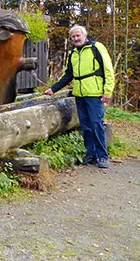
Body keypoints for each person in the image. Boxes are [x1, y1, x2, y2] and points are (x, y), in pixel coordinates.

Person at [44, 25, 115, 168]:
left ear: (84, 35)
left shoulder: (96, 48)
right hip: (80, 94)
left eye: (78, 36)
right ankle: (91, 154)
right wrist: (53, 89)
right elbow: (68, 75)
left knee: (96, 124)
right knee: (86, 126)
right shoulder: (73, 53)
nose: (76, 39)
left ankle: (102, 156)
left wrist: (107, 91)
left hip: (95, 94)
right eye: (73, 37)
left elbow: (108, 70)